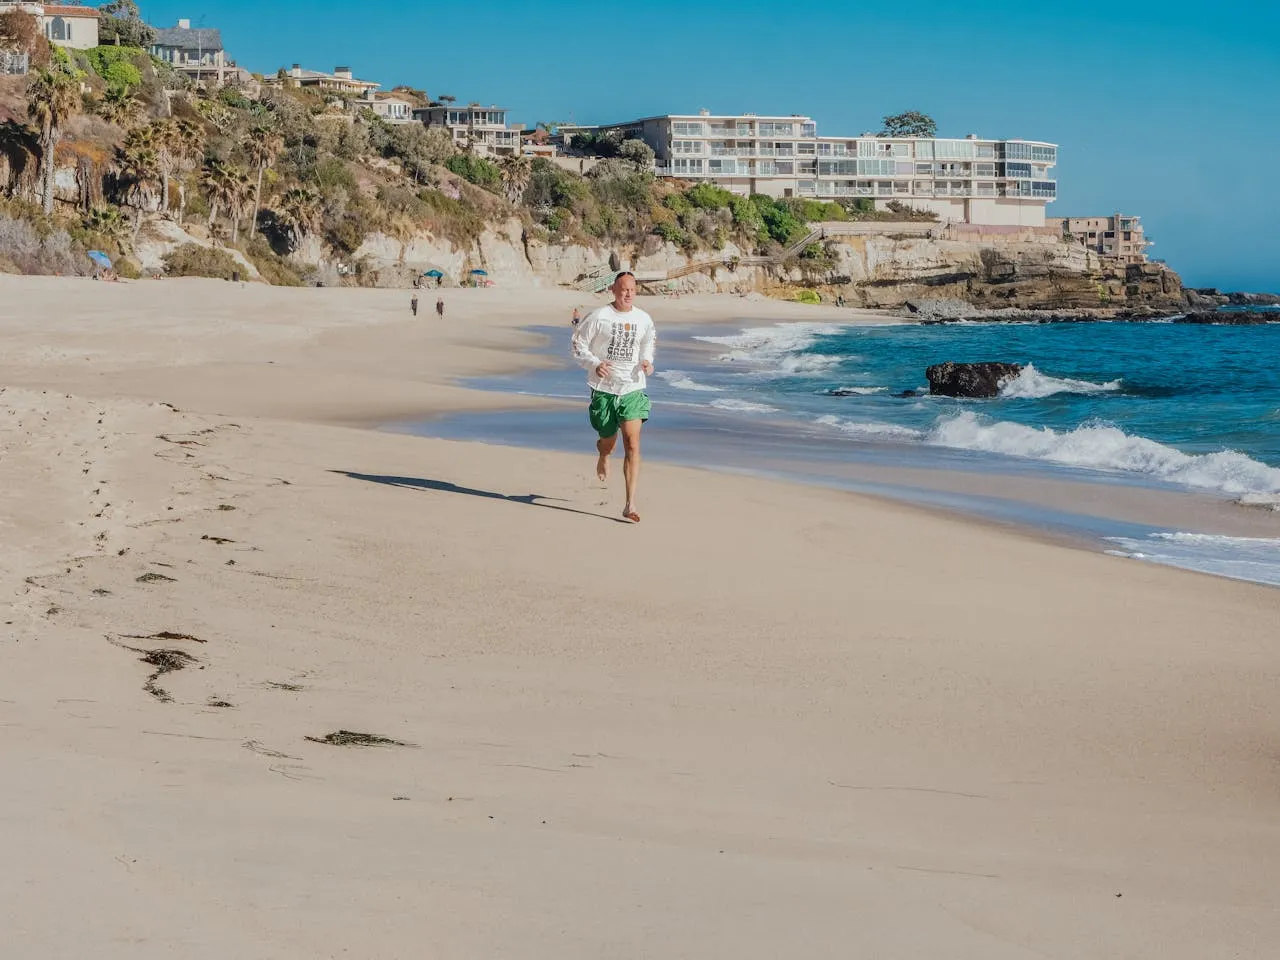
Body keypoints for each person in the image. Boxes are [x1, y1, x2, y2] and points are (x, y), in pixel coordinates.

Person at [570, 272, 655, 523]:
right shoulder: (599, 317)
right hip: (604, 389)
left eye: (632, 289)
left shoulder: (643, 318)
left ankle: (630, 503)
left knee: (633, 443)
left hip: (632, 387)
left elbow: (648, 342)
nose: (628, 294)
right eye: (623, 289)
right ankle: (604, 454)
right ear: (613, 290)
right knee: (608, 441)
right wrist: (594, 363)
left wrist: (648, 361)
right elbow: (577, 344)